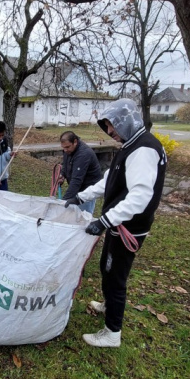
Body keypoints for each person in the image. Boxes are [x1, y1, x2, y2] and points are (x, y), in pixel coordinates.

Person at [64, 99, 167, 347]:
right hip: (117, 224)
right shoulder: (130, 146)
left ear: (126, 121)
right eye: (107, 126)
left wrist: (105, 220)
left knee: (115, 276)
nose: (110, 132)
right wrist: (81, 196)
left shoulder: (143, 150)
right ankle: (108, 304)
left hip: (128, 227)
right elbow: (110, 180)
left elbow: (141, 196)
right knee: (106, 267)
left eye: (112, 126)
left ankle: (112, 333)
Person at [58, 131, 102, 214]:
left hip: (87, 190)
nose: (65, 150)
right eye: (63, 147)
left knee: (83, 218)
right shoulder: (69, 150)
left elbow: (76, 180)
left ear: (75, 142)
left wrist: (63, 202)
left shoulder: (83, 154)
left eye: (67, 147)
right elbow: (65, 163)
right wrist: (62, 174)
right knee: (73, 215)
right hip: (78, 188)